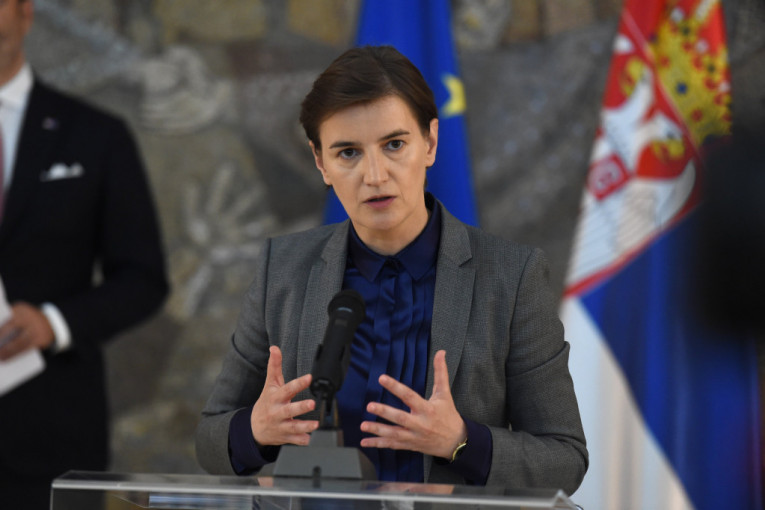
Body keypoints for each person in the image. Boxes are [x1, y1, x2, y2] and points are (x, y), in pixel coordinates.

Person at [196, 45, 587, 494]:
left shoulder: (511, 278)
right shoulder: (282, 270)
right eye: (348, 153)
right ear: (321, 162)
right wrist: (254, 431)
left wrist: (462, 442)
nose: (375, 175)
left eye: (394, 145)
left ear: (430, 143)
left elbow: (566, 459)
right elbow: (210, 440)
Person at [0, 1, 168, 508]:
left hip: (47, 432)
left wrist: (54, 323)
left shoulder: (95, 135)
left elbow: (142, 277)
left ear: (24, 13)